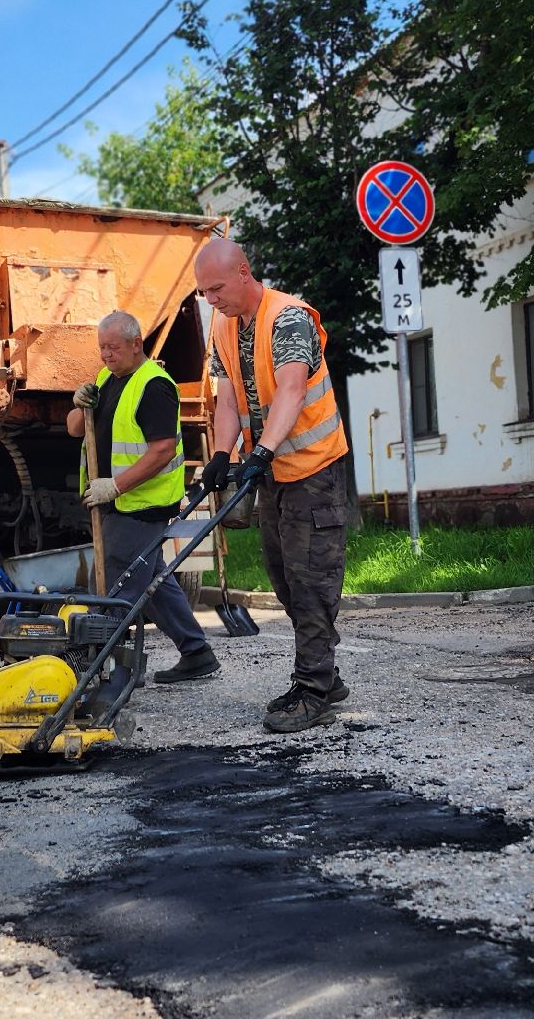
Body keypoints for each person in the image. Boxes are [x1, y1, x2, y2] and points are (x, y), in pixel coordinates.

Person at [193, 238, 351, 734]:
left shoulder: (288, 319)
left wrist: (261, 451)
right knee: (284, 577)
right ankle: (326, 674)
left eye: (217, 288)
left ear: (244, 272)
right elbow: (225, 399)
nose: (212, 298)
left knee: (311, 582)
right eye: (203, 292)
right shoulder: (222, 325)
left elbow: (291, 388)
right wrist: (222, 453)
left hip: (312, 470)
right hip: (274, 475)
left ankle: (313, 688)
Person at [67, 310, 219, 683]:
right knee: (152, 582)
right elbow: (74, 429)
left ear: (136, 344)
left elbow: (162, 450)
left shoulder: (154, 386)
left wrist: (115, 486)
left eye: (113, 347)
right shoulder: (107, 379)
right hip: (113, 501)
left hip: (139, 505)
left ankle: (102, 673)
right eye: (102, 347)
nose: (106, 354)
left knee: (114, 586)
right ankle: (196, 652)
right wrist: (78, 402)